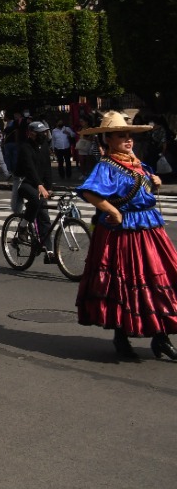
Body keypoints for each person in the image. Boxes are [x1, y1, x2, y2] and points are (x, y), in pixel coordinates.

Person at [73, 112, 177, 361]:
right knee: (124, 285)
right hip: (123, 232)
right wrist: (112, 212)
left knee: (156, 280)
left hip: (149, 226)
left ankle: (160, 337)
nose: (128, 140)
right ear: (109, 139)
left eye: (129, 136)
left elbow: (144, 187)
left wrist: (156, 183)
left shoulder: (136, 162)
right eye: (122, 136)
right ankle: (121, 338)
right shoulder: (105, 166)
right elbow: (89, 193)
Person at [14, 120, 55, 256]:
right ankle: (23, 226)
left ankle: (49, 250)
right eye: (40, 133)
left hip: (39, 183)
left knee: (44, 216)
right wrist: (39, 185)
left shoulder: (43, 146)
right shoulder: (25, 147)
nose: (43, 135)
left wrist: (48, 187)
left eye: (45, 132)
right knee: (36, 201)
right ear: (31, 134)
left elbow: (47, 167)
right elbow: (29, 168)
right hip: (24, 182)